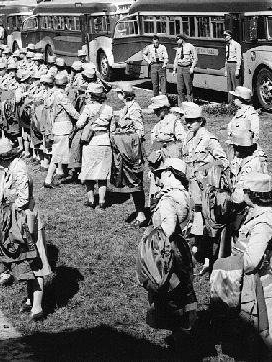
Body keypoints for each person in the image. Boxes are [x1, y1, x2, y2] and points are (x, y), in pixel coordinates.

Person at [0, 137, 52, 321]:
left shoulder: (18, 169)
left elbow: (23, 198)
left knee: (36, 261)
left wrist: (8, 210)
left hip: (26, 220)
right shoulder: (11, 167)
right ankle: (29, 300)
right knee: (25, 261)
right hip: (18, 219)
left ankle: (38, 307)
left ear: (2, 157)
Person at [147, 158, 197, 354]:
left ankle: (181, 344)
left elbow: (167, 229)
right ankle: (184, 336)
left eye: (161, 174)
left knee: (170, 296)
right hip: (182, 250)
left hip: (169, 254)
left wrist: (153, 249)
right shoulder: (184, 195)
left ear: (170, 173)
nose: (159, 179)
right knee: (182, 294)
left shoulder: (168, 199)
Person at [232, 173, 272, 357]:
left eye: (245, 191)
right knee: (253, 335)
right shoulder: (256, 212)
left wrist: (229, 267)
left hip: (262, 285)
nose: (242, 195)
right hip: (252, 284)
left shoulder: (263, 221)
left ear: (253, 194)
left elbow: (252, 260)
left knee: (267, 337)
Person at [181, 102, 229, 273]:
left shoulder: (208, 138)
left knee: (206, 222)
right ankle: (200, 251)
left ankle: (209, 258)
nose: (188, 123)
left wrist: (203, 169)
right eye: (186, 120)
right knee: (194, 221)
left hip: (205, 188)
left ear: (201, 121)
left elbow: (222, 160)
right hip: (191, 186)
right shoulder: (187, 136)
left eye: (192, 121)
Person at [111, 83, 146, 223]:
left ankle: (141, 214)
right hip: (126, 150)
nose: (117, 95)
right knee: (131, 184)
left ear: (124, 94)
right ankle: (140, 214)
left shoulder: (134, 109)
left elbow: (140, 131)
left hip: (132, 151)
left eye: (119, 92)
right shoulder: (127, 108)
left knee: (136, 183)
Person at [76, 83, 113, 209]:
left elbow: (79, 124)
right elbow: (112, 127)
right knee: (103, 173)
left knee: (88, 171)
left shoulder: (88, 108)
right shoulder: (109, 109)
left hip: (91, 142)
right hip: (105, 141)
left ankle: (91, 200)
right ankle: (102, 201)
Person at [44, 72, 79, 188]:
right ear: (64, 85)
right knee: (57, 155)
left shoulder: (51, 94)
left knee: (57, 154)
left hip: (55, 126)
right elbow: (71, 111)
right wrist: (82, 119)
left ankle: (52, 177)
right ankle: (48, 179)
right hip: (63, 127)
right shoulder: (61, 96)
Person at [172, 35, 197, 104]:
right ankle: (181, 105)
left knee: (188, 87)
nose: (176, 41)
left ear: (182, 40)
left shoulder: (190, 46)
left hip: (187, 68)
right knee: (179, 88)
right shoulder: (179, 48)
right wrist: (174, 70)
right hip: (180, 68)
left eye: (177, 40)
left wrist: (192, 68)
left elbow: (195, 58)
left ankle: (190, 104)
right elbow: (176, 59)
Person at [224, 30, 242, 102]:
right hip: (228, 64)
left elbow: (238, 57)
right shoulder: (227, 45)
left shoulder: (236, 45)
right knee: (229, 84)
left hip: (234, 64)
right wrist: (226, 69)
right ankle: (230, 102)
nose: (225, 37)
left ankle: (236, 102)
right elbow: (226, 57)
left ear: (230, 36)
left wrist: (238, 69)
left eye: (226, 36)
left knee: (235, 84)